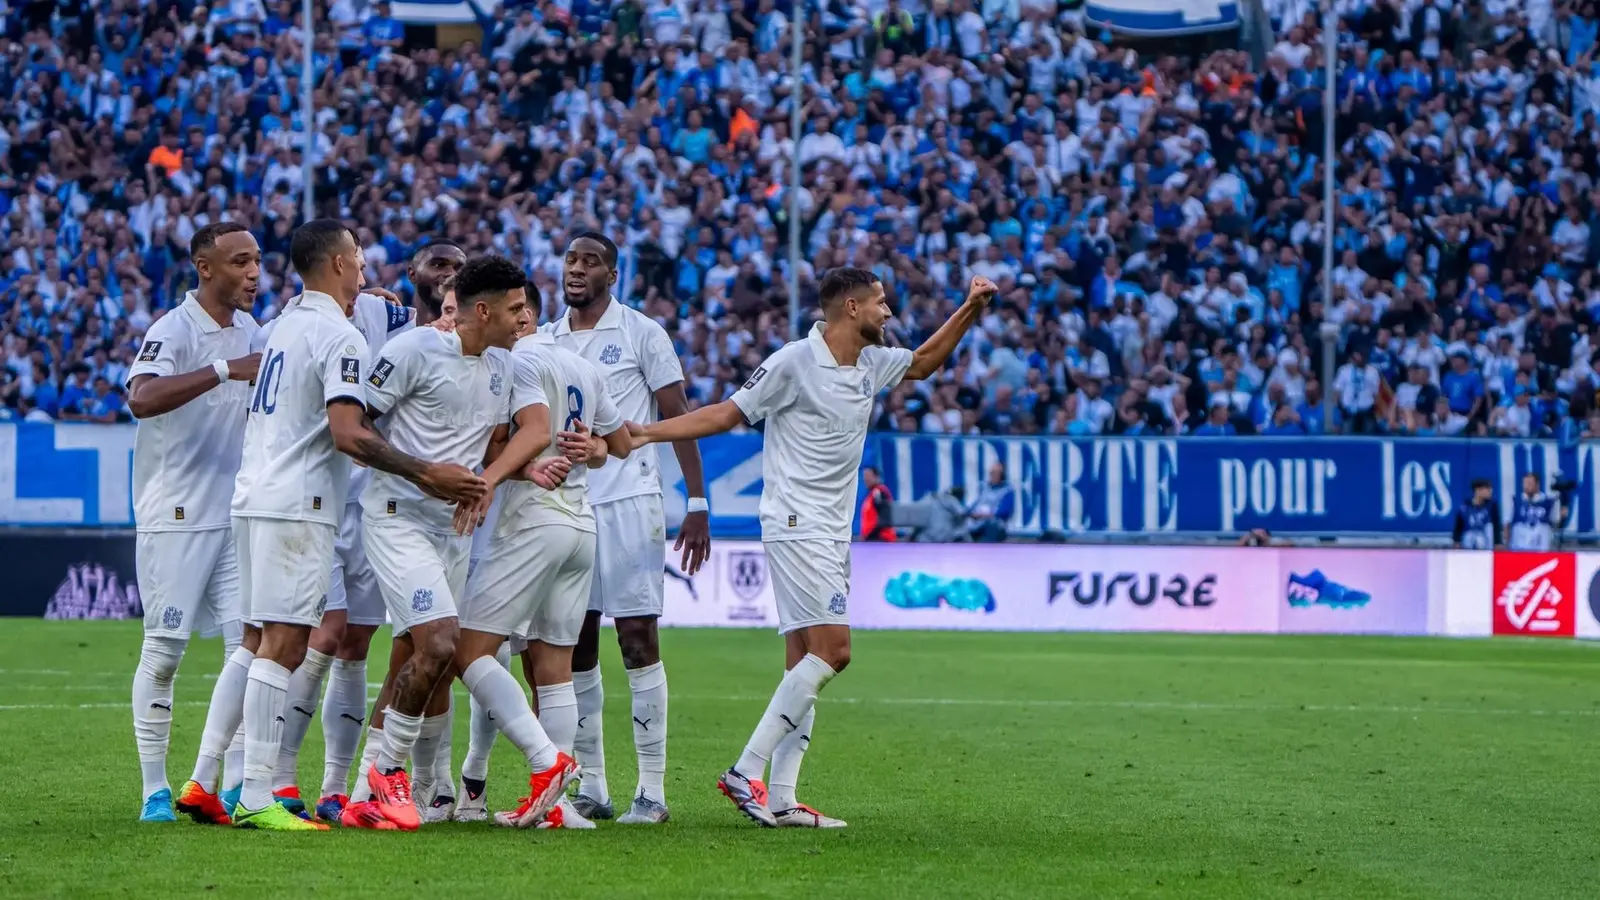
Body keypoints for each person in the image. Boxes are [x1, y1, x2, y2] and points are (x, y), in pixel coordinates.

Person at [623, 268, 997, 828]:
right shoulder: (793, 360)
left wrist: (970, 308)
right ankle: (744, 770)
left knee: (804, 661)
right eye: (880, 303)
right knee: (835, 651)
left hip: (831, 528)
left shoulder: (872, 362)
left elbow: (922, 362)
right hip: (797, 523)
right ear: (851, 307)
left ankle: (782, 796)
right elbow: (727, 413)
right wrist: (648, 432)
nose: (888, 312)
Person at [227, 219, 485, 832]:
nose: (368, 272)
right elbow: (349, 433)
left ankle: (249, 782)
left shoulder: (287, 322)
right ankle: (258, 793)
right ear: (339, 263)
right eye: (360, 260)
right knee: (286, 645)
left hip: (259, 493)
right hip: (304, 503)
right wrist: (428, 473)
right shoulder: (340, 335)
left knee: (272, 642)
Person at [343, 254, 527, 831]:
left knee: (423, 658)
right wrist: (426, 472)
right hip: (397, 517)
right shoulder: (412, 351)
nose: (525, 318)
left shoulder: (501, 367)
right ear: (483, 310)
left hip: (452, 531)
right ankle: (389, 777)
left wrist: (487, 483)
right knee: (443, 644)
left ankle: (363, 795)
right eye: (516, 308)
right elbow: (354, 430)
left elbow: (488, 445)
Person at [535, 232, 711, 825]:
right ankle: (594, 786)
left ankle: (653, 792)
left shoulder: (642, 332)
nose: (577, 270)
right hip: (572, 505)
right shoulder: (545, 339)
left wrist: (699, 501)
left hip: (632, 499)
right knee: (576, 644)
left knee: (636, 639)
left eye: (591, 262)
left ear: (613, 272)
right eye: (570, 260)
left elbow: (678, 415)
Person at [452, 322, 633, 829]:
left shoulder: (516, 363)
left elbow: (501, 441)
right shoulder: (583, 367)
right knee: (555, 668)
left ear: (521, 316)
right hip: (581, 524)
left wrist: (498, 472)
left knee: (469, 651)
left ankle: (543, 763)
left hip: (533, 519)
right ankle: (558, 807)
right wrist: (592, 449)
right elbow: (618, 444)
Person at [125, 222, 261, 823]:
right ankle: (154, 788)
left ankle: (228, 787)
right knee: (165, 653)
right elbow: (142, 398)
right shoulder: (172, 330)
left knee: (248, 650)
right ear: (206, 269)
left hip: (236, 516)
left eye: (257, 260)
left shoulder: (253, 329)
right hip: (175, 515)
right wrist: (227, 370)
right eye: (240, 262)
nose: (254, 272)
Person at [1508, 473, 1562, 551]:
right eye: (1525, 483)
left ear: (1537, 484)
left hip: (1540, 545)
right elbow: (1508, 522)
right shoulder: (1515, 500)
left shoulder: (1548, 502)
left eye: (1530, 483)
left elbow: (1555, 521)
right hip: (1519, 544)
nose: (1527, 486)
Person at [967, 461, 1016, 543]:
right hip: (977, 523)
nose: (992, 475)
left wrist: (985, 515)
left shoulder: (1007, 490)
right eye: (991, 473)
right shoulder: (985, 487)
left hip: (995, 524)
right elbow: (975, 504)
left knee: (991, 525)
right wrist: (971, 513)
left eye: (995, 473)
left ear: (1002, 475)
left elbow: (1005, 512)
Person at [1452, 479, 1500, 550]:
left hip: (1486, 542)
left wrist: (1497, 542)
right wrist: (1456, 541)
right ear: (1478, 490)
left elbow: (1496, 526)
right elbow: (1458, 526)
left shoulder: (1492, 506)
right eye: (1487, 489)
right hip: (1468, 542)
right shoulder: (1465, 507)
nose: (1490, 492)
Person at [859, 467, 895, 541]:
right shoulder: (872, 495)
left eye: (868, 476)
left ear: (876, 477)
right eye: (864, 476)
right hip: (872, 539)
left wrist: (870, 536)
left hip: (880, 540)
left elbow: (884, 519)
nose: (865, 479)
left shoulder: (879, 493)